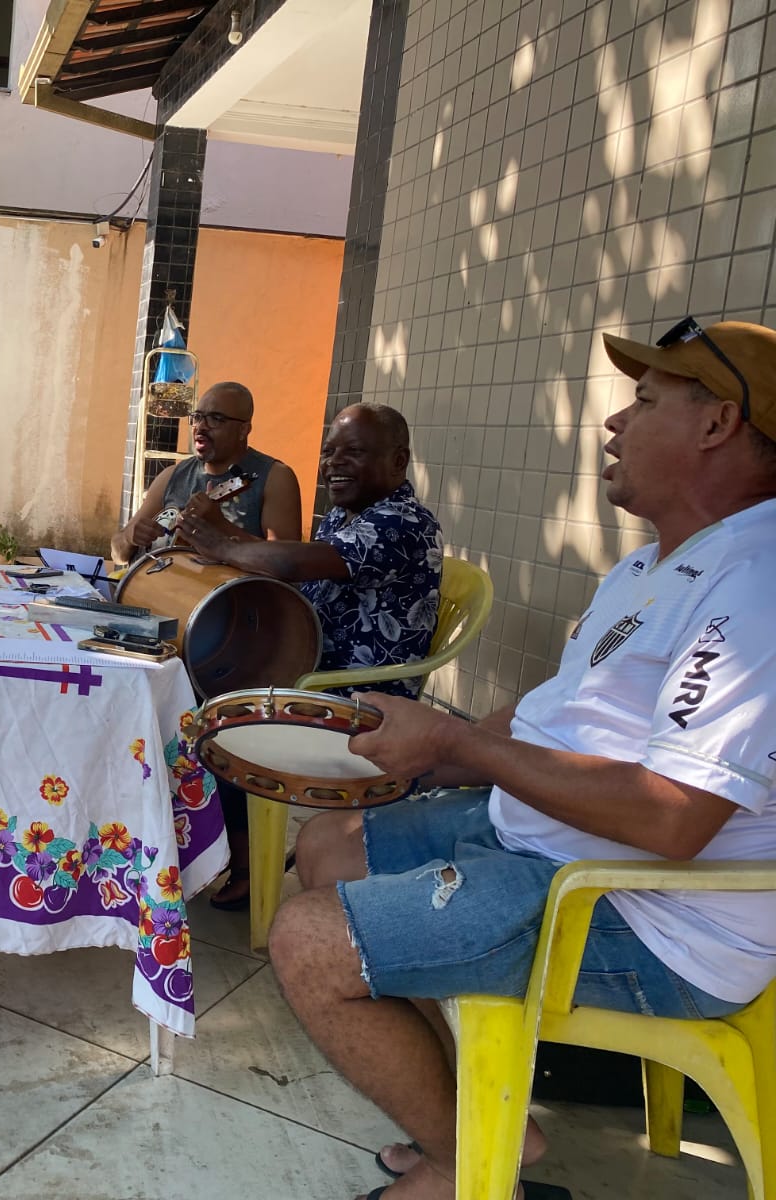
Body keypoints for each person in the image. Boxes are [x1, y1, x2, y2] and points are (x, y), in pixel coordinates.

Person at [271, 320, 776, 1200]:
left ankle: (471, 1168)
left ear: (718, 424)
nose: (616, 423)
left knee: (307, 944)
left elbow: (673, 817)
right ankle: (476, 1123)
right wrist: (422, 764)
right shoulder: (660, 563)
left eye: (646, 403)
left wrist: (456, 740)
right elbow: (562, 712)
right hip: (562, 845)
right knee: (327, 847)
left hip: (649, 915)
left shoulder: (757, 583)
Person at [177, 402, 442, 909]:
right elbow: (282, 558)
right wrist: (220, 532)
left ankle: (248, 866)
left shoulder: (401, 522)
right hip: (314, 677)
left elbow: (292, 561)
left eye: (354, 452)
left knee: (216, 721)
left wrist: (218, 543)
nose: (334, 463)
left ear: (398, 461)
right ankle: (227, 853)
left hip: (357, 705)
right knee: (196, 689)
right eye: (329, 452)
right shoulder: (350, 517)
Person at [111, 381, 303, 565]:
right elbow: (117, 553)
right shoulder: (171, 476)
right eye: (197, 417)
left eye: (215, 419)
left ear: (243, 430)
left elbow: (287, 564)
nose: (201, 427)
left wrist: (220, 526)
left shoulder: (275, 478)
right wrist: (130, 537)